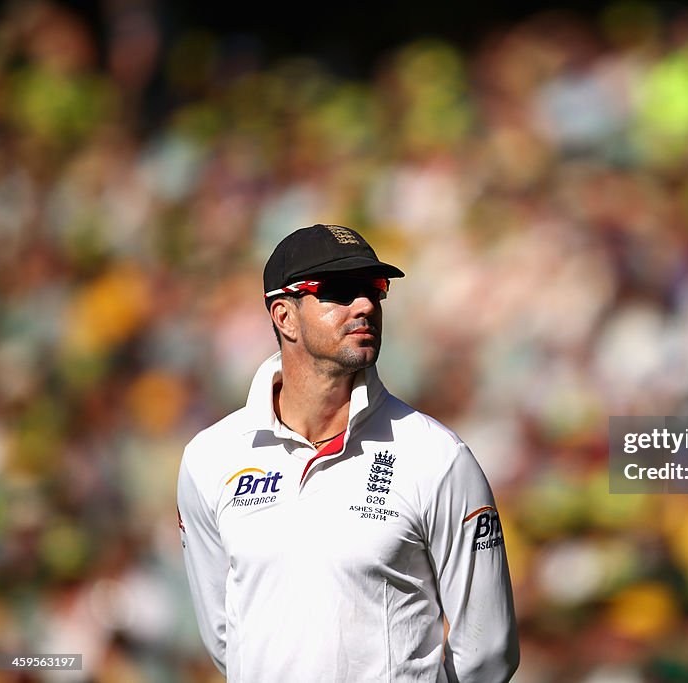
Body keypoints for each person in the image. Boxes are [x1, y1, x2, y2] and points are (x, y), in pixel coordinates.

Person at [177, 224, 519, 682]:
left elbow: (487, 650)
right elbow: (227, 635)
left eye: (374, 290)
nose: (365, 306)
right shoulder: (209, 458)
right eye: (339, 291)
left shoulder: (438, 457)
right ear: (284, 316)